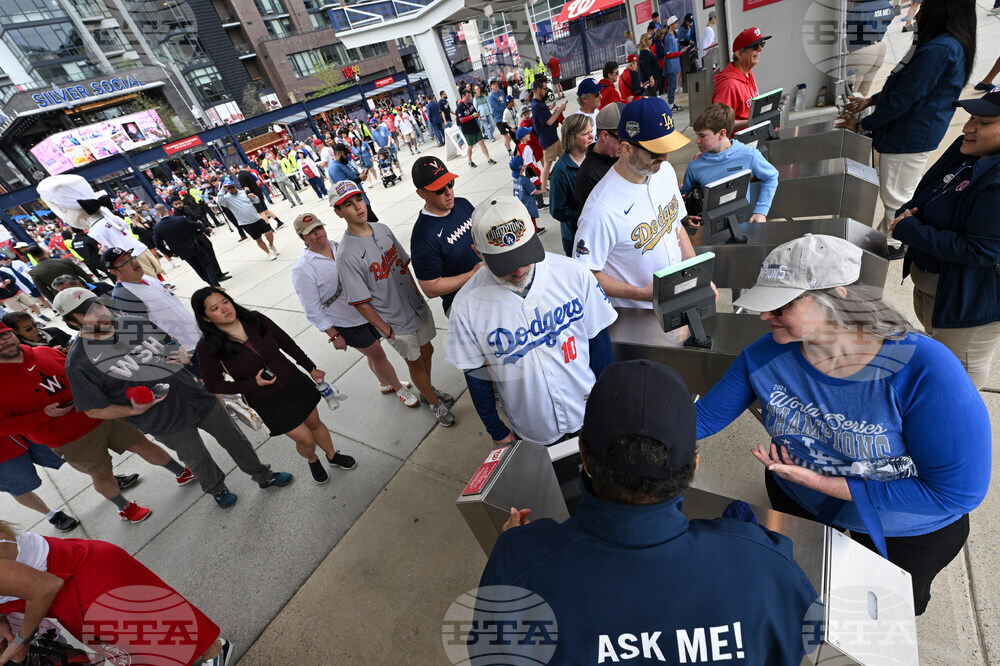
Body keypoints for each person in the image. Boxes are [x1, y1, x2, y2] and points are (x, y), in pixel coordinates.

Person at [696, 234, 991, 616]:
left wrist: (824, 484)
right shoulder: (765, 354)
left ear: (836, 297)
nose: (764, 316)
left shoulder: (927, 370)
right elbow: (704, 418)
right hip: (799, 498)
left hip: (903, 528)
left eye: (781, 306)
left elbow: (957, 494)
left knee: (882, 614)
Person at [476, 360, 816, 665]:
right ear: (693, 464)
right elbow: (799, 641)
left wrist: (515, 552)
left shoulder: (519, 569)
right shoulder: (765, 567)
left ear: (583, 455)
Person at [58, 287, 294, 509]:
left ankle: (263, 475)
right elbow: (93, 409)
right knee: (196, 457)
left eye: (98, 305)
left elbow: (169, 342)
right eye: (88, 313)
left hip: (195, 395)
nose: (99, 314)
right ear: (72, 322)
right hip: (162, 419)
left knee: (235, 438)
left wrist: (177, 353)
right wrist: (133, 411)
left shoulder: (132, 322)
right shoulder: (80, 362)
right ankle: (217, 489)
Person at [446, 196, 616, 447]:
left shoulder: (574, 274)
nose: (518, 271)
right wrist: (496, 429)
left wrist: (610, 400)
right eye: (505, 263)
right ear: (478, 252)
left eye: (523, 255)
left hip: (589, 409)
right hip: (531, 426)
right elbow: (475, 373)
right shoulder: (465, 307)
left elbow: (599, 341)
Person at [0, 312, 185, 524]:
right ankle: (123, 507)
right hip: (69, 437)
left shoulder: (44, 351)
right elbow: (3, 426)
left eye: (4, 335)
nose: (3, 342)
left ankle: (181, 471)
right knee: (103, 475)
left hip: (104, 414)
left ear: (11, 333)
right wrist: (42, 415)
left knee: (143, 445)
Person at [842, 0, 976, 255]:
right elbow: (905, 84)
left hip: (909, 134)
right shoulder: (947, 43)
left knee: (895, 196)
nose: (920, 10)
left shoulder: (939, 48)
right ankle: (885, 240)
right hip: (916, 131)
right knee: (898, 192)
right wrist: (871, 100)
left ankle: (893, 245)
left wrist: (863, 125)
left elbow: (904, 95)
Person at [0, 520, 233, 665]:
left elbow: (44, 587)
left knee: (153, 630)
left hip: (85, 580)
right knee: (142, 641)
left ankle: (215, 652)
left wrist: (22, 639)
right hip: (76, 583)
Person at [890, 90, 1000, 389]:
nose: (968, 128)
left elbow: (980, 250)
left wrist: (907, 229)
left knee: (958, 380)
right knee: (938, 359)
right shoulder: (969, 150)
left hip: (968, 305)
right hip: (935, 288)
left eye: (984, 122)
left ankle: (956, 434)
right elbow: (927, 193)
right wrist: (906, 213)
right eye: (971, 118)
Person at [194, 288, 355, 485]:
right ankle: (312, 459)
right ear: (206, 318)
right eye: (215, 308)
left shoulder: (255, 319)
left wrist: (310, 367)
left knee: (315, 424)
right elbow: (212, 384)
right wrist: (252, 383)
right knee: (305, 439)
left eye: (225, 302)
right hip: (266, 399)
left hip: (293, 382)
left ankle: (332, 455)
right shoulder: (208, 346)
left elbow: (286, 343)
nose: (225, 308)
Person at [333, 180, 457, 427]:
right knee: (415, 361)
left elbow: (403, 265)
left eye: (359, 199)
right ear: (338, 212)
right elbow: (360, 302)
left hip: (414, 306)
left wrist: (418, 295)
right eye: (348, 204)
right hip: (394, 320)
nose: (358, 207)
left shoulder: (382, 229)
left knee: (428, 350)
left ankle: (426, 390)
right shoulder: (347, 255)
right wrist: (387, 330)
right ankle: (433, 402)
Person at [574, 98, 697, 308]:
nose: (666, 157)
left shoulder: (663, 171)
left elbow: (676, 226)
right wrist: (642, 294)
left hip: (678, 300)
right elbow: (586, 272)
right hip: (638, 320)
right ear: (626, 149)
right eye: (655, 151)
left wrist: (696, 278)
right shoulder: (600, 208)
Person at [292, 213, 418, 406]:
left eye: (319, 228)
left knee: (374, 353)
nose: (318, 234)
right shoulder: (304, 269)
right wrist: (334, 334)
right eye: (311, 232)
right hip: (347, 323)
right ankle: (398, 388)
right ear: (302, 238)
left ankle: (384, 383)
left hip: (368, 311)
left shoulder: (340, 247)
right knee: (378, 355)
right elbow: (312, 308)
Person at [409, 157, 482, 317]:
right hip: (464, 304)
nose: (448, 192)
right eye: (439, 189)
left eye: (450, 183)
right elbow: (430, 287)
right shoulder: (423, 237)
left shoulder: (463, 204)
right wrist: (473, 274)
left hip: (490, 284)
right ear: (422, 193)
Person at [683, 103, 779, 224]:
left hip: (743, 224)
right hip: (708, 229)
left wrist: (761, 211)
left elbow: (771, 176)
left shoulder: (749, 155)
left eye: (702, 136)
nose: (697, 141)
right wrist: (685, 218)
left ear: (722, 134)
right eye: (697, 135)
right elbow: (683, 196)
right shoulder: (694, 166)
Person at [103, 248, 203, 358]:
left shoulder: (147, 278)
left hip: (199, 338)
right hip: (186, 352)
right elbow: (143, 334)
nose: (134, 263)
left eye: (131, 258)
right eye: (125, 262)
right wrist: (174, 354)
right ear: (114, 271)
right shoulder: (124, 296)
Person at [0, 435, 79, 531]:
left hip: (19, 426)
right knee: (18, 488)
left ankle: (99, 477)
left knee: (65, 453)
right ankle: (51, 515)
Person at [153, 204, 230, 287]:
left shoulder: (157, 228)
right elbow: (195, 224)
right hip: (194, 246)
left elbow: (158, 245)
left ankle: (212, 285)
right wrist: (204, 226)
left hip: (182, 252)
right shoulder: (180, 219)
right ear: (167, 210)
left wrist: (170, 253)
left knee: (198, 269)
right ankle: (215, 284)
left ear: (157, 214)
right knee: (207, 265)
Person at [712, 27, 770, 132]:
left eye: (762, 44)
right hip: (738, 144)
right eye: (755, 46)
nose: (760, 49)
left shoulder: (748, 73)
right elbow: (718, 122)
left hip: (752, 137)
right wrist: (750, 122)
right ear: (739, 54)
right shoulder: (728, 85)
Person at [550, 114, 592, 256]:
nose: (591, 136)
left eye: (591, 132)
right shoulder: (560, 171)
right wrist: (584, 216)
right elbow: (557, 210)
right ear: (571, 138)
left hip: (596, 231)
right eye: (586, 134)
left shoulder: (592, 157)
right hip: (576, 238)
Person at [215, 179, 280, 260]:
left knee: (269, 232)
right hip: (245, 223)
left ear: (235, 185)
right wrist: (222, 189)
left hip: (256, 218)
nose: (232, 189)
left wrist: (254, 197)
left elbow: (256, 201)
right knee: (258, 239)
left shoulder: (244, 192)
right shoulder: (226, 198)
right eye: (229, 188)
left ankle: (271, 245)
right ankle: (268, 253)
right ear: (226, 189)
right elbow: (218, 201)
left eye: (232, 187)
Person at [575, 103, 623, 210]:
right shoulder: (587, 177)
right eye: (621, 139)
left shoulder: (621, 156)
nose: (625, 145)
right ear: (604, 136)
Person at [845, 0, 894, 98]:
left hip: (860, 52)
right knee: (863, 95)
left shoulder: (860, 9)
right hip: (879, 48)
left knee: (849, 96)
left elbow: (846, 34)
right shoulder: (886, 5)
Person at [531, 79, 568, 195]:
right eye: (545, 89)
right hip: (548, 140)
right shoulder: (537, 106)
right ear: (538, 89)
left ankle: (568, 177)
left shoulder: (540, 103)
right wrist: (560, 110)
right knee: (547, 165)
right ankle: (543, 188)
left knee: (564, 158)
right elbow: (549, 121)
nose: (546, 91)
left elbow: (547, 117)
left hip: (553, 138)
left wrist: (553, 110)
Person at [25, 246, 95, 307]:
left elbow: (45, 291)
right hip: (82, 290)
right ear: (44, 252)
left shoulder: (34, 272)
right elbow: (84, 274)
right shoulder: (65, 260)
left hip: (63, 298)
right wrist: (94, 286)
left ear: (33, 257)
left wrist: (56, 305)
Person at [328, 143, 378, 222]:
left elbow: (354, 175)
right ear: (338, 153)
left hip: (361, 200)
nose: (347, 156)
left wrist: (361, 175)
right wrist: (359, 179)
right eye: (345, 154)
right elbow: (344, 187)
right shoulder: (334, 167)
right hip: (355, 205)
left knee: (374, 225)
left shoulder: (344, 163)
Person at [456, 88, 496, 168]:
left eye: (469, 97)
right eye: (467, 97)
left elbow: (475, 113)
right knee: (470, 146)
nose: (469, 98)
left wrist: (478, 116)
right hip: (467, 130)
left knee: (482, 142)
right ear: (463, 96)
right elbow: (462, 120)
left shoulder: (470, 104)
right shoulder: (459, 107)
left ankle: (489, 159)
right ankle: (470, 161)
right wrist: (472, 116)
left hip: (475, 126)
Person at [237, 163, 285, 229]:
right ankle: (279, 222)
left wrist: (249, 194)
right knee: (265, 210)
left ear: (237, 168)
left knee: (261, 212)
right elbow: (258, 181)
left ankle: (269, 228)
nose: (231, 171)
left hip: (254, 195)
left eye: (232, 169)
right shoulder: (248, 172)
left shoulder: (241, 176)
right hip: (258, 192)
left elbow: (246, 188)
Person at [2, 311, 71, 350]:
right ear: (15, 331)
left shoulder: (54, 331)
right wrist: (51, 353)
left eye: (34, 325)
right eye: (28, 329)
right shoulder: (24, 350)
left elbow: (71, 341)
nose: (34, 329)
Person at [509, 156, 540, 232]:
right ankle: (534, 230)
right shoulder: (524, 180)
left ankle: (534, 229)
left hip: (520, 202)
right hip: (527, 203)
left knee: (527, 218)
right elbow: (534, 191)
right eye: (523, 164)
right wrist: (543, 191)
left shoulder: (515, 179)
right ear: (521, 167)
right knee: (531, 216)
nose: (524, 165)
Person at [488, 79, 512, 155]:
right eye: (493, 84)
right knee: (506, 135)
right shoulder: (491, 96)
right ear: (491, 86)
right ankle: (509, 150)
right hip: (499, 119)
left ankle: (507, 143)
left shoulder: (501, 92)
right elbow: (496, 108)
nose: (496, 85)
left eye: (496, 83)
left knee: (512, 132)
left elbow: (505, 102)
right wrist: (506, 110)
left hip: (507, 116)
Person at [637, 33, 658, 97]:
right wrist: (651, 79)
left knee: (653, 96)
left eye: (651, 37)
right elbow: (647, 67)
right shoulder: (644, 53)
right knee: (651, 96)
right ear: (645, 41)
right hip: (648, 79)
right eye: (649, 38)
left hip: (652, 77)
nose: (651, 39)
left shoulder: (647, 50)